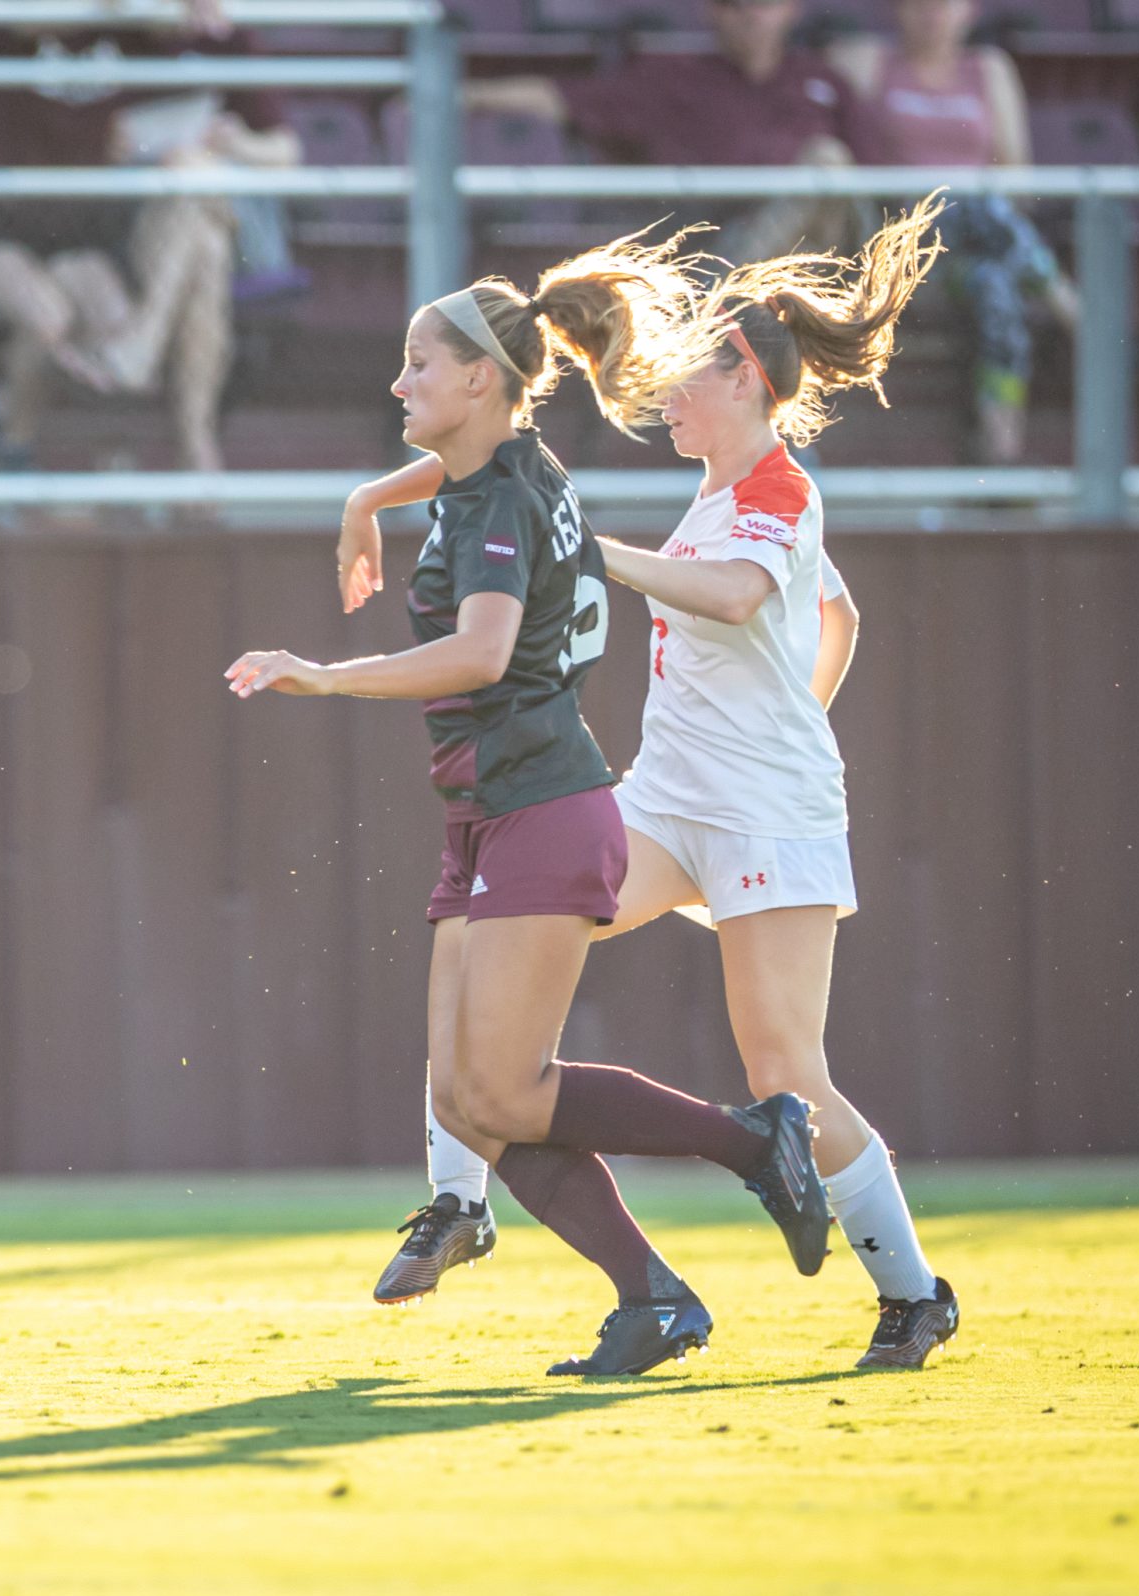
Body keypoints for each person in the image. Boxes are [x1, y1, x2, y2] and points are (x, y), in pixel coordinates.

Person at [348, 202, 963, 1372]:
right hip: (664, 801)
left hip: (766, 816)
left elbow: (735, 598)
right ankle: (456, 1199)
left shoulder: (776, 489)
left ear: (742, 376)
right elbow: (835, 612)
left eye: (686, 378)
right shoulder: (721, 498)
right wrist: (789, 700)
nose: (665, 398)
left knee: (785, 1070)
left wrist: (588, 550)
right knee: (481, 962)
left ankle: (913, 1292)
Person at [225, 240, 831, 1379]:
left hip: (545, 811)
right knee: (468, 1102)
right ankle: (652, 1297)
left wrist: (325, 674)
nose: (398, 384)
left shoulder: (493, 499)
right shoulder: (513, 463)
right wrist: (365, 496)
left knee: (499, 1090)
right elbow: (467, 478)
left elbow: (484, 648)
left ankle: (754, 1142)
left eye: (417, 364)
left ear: (480, 382)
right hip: (496, 813)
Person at [0, 14, 301, 474]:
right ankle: (14, 439)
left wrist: (225, 146)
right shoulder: (119, 28)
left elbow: (283, 150)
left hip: (89, 226)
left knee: (168, 266)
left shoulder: (187, 38)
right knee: (50, 319)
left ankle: (89, 451)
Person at [837, 0, 1076, 462]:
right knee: (962, 201)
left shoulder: (988, 70)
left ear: (970, 11)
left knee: (997, 286)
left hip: (968, 253)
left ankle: (999, 447)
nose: (932, 14)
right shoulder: (870, 62)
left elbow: (1019, 183)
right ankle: (1065, 301)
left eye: (944, 4)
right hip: (904, 248)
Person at [468, 0, 858, 261]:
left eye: (765, 3)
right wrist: (454, 95)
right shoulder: (674, 79)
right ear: (713, 11)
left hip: (825, 259)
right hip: (716, 245)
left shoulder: (824, 78)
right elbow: (561, 97)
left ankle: (736, 287)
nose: (752, 16)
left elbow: (879, 169)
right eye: (736, 4)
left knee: (828, 159)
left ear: (792, 9)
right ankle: (738, 285)